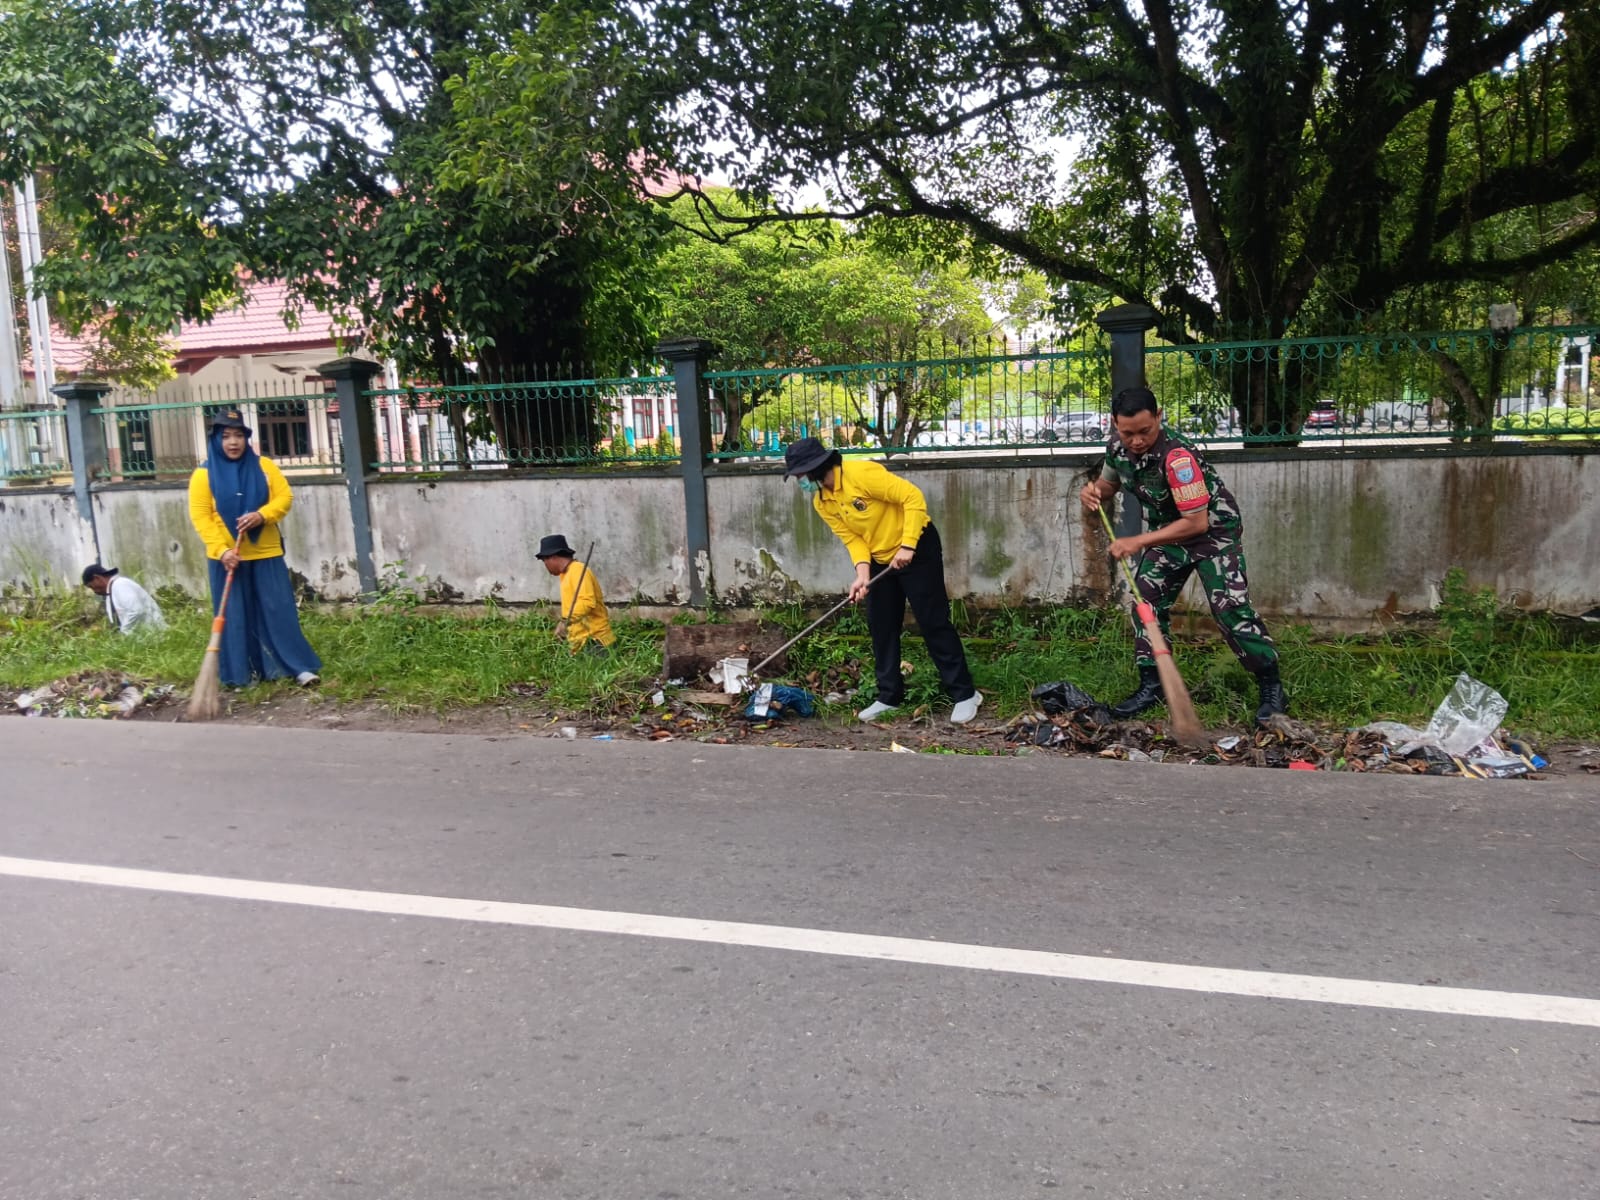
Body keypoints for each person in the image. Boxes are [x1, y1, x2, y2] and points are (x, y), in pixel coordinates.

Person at [1080, 386, 1286, 724]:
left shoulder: (1178, 458)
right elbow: (1108, 484)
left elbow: (1196, 522)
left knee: (1230, 610)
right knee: (1145, 601)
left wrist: (1138, 541)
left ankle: (1271, 687)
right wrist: (1092, 493)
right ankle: (1153, 685)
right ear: (1115, 424)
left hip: (1212, 534)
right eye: (1127, 432)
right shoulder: (1118, 447)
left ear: (1159, 417)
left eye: (1145, 431)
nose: (1136, 441)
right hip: (1168, 534)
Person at [782, 437, 982, 724]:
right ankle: (889, 696)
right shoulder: (822, 501)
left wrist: (908, 545)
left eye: (800, 475)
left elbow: (912, 497)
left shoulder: (861, 475)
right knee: (881, 625)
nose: (800, 482)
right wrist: (862, 576)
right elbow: (853, 538)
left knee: (932, 620)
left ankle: (965, 694)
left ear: (815, 468)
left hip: (917, 548)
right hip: (879, 557)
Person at [188, 409, 321, 687]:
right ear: (216, 440)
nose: (233, 442)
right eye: (226, 436)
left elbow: (284, 497)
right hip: (227, 558)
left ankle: (295, 667)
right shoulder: (203, 475)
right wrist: (222, 550)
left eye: (238, 435)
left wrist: (263, 515)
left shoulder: (265, 467)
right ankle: (241, 673)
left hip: (266, 554)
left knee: (277, 610)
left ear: (247, 439)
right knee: (234, 615)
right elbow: (201, 516)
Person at [536, 534, 615, 654]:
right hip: (581, 643)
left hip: (595, 642)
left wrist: (565, 621)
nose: (545, 565)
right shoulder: (566, 574)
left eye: (544, 560)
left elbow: (587, 602)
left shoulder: (578, 570)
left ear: (553, 557)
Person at [81, 562, 166, 634]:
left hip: (155, 635)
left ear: (97, 578)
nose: (94, 591)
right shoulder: (111, 591)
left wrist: (124, 632)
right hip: (145, 638)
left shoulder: (120, 585)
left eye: (92, 586)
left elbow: (136, 610)